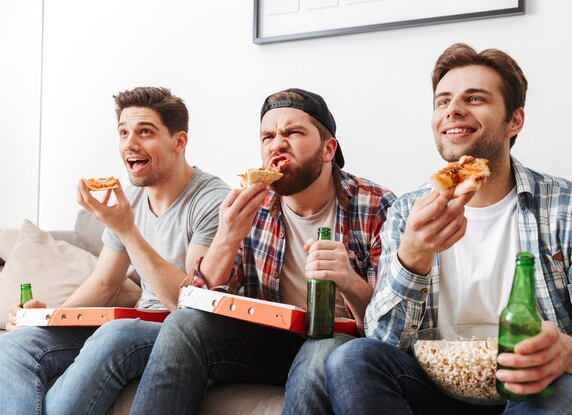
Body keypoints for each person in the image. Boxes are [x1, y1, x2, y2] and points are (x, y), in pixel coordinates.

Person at [325, 43, 572, 415]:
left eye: (475, 98)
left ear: (514, 121)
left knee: (567, 394)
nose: (453, 109)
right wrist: (413, 257)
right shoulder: (406, 213)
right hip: (437, 387)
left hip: (533, 388)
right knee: (351, 359)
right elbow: (384, 342)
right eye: (442, 101)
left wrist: (570, 354)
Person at [129, 88, 397, 415]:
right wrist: (227, 237)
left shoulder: (376, 205)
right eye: (267, 136)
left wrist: (349, 280)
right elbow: (193, 303)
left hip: (338, 341)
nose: (277, 143)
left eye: (293, 132)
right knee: (182, 326)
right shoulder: (253, 202)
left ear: (328, 149)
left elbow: (390, 329)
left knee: (318, 356)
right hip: (269, 341)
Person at [0, 86, 230, 415]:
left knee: (117, 332)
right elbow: (105, 283)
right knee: (14, 344)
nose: (129, 145)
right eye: (123, 133)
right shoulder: (133, 197)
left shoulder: (212, 201)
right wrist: (50, 319)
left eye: (145, 132)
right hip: (133, 322)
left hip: (177, 333)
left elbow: (188, 304)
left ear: (179, 142)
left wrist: (127, 229)